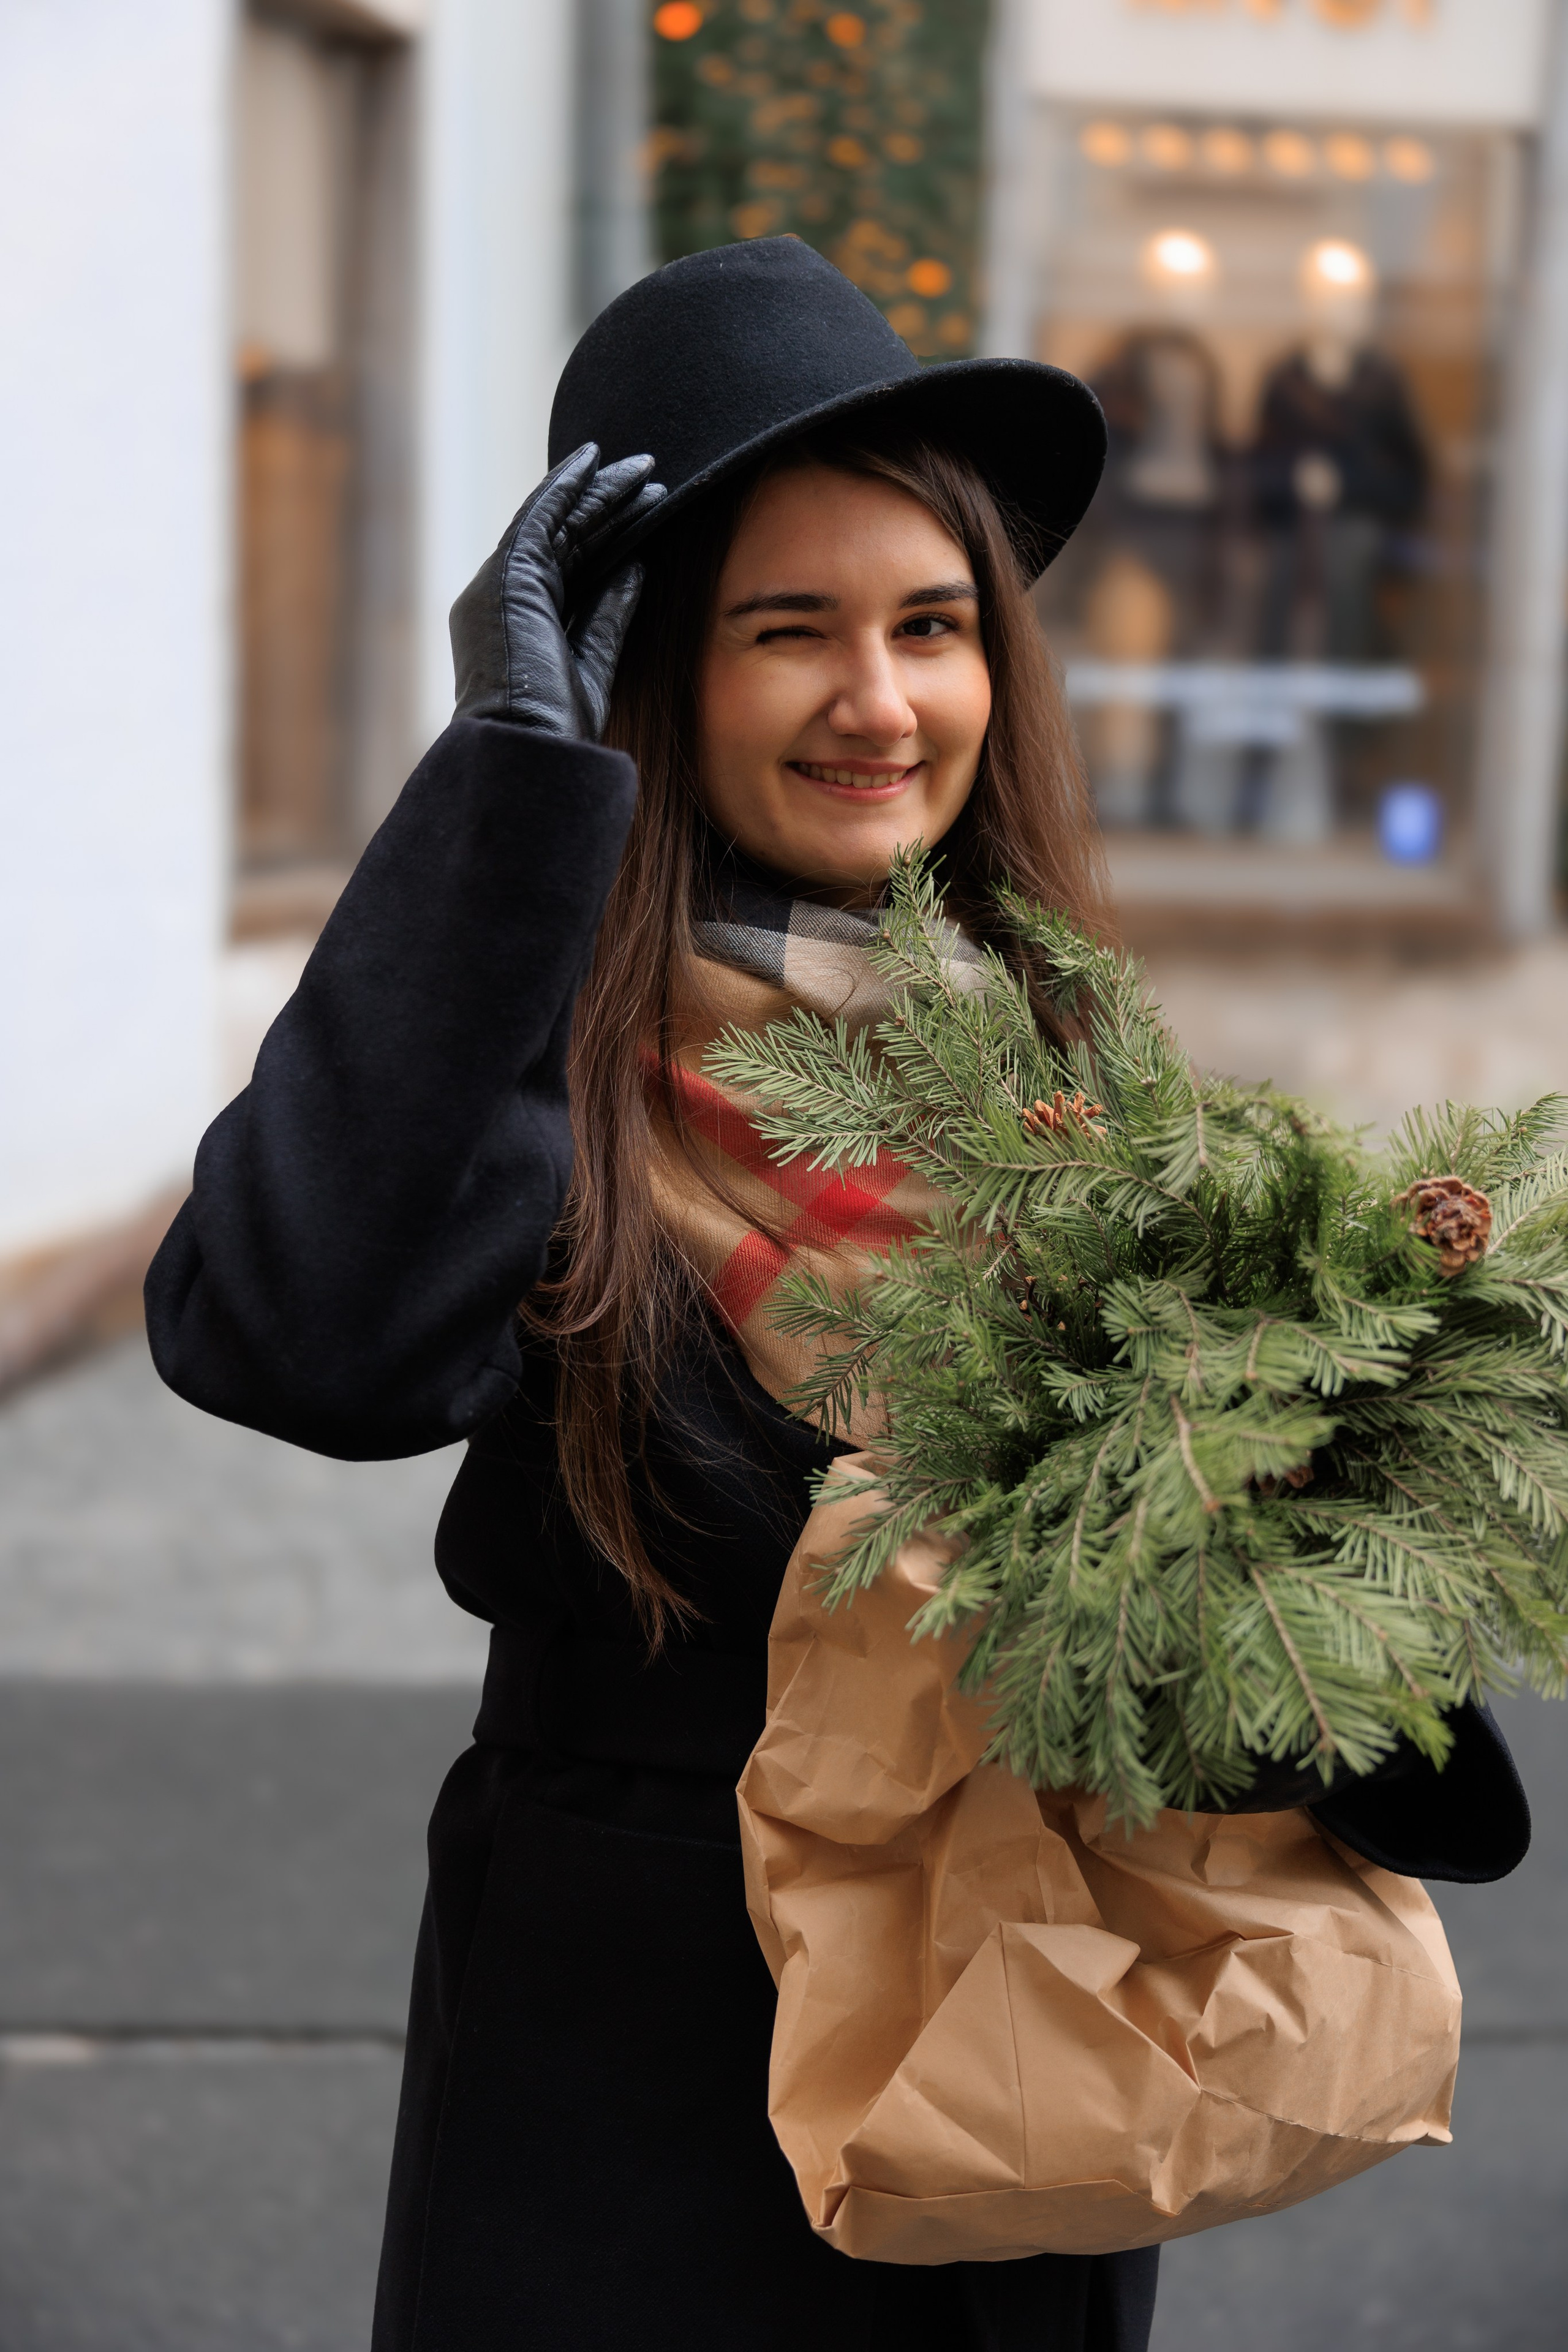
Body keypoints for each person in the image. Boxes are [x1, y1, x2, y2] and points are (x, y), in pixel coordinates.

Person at [146, 240, 1528, 2352]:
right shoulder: (535, 1066)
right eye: (788, 631)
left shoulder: (1056, 1063)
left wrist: (1338, 1569)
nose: (881, 703)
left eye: (933, 628)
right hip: (630, 2101)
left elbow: (1200, 1594)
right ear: (656, 671)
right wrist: (509, 792)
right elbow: (295, 1342)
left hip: (1019, 2059)